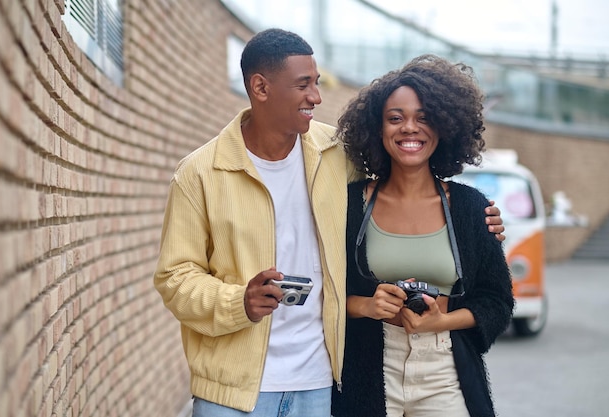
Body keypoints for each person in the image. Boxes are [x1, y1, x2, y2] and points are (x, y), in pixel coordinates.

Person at [153, 29, 505, 417]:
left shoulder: (337, 156)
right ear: (260, 87)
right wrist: (240, 302)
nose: (316, 97)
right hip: (232, 389)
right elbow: (175, 278)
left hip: (320, 381)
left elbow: (405, 177)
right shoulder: (199, 174)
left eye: (316, 84)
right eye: (304, 85)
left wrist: (480, 220)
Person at [330, 55, 515, 417]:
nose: (409, 128)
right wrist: (365, 306)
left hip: (444, 370)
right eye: (395, 118)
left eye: (424, 118)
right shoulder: (348, 204)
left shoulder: (471, 208)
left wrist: (442, 321)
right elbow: (324, 291)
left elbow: (497, 301)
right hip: (368, 368)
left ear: (445, 127)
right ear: (377, 129)